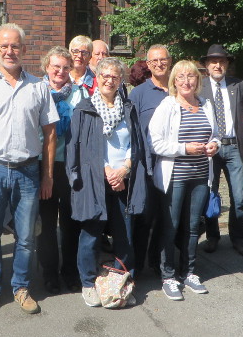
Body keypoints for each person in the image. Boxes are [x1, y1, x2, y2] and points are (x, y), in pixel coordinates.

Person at [0, 23, 58, 317]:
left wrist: (47, 175)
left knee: (26, 237)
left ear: (24, 49)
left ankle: (21, 287)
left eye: (15, 46)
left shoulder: (39, 87)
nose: (9, 51)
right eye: (4, 46)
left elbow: (50, 134)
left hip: (28, 172)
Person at [67, 57, 148, 307]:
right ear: (97, 78)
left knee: (124, 236)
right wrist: (107, 172)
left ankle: (121, 283)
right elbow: (80, 148)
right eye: (105, 76)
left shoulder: (129, 109)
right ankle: (88, 283)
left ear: (121, 80)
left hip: (123, 180)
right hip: (94, 181)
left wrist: (123, 171)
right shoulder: (84, 109)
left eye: (115, 76)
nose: (109, 80)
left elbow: (136, 144)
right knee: (90, 235)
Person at [149, 60, 219, 300]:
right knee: (171, 226)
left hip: (201, 176)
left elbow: (216, 136)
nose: (186, 81)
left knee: (192, 228)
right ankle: (168, 276)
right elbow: (155, 143)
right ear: (174, 81)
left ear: (197, 80)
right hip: (175, 177)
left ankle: (188, 272)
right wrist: (184, 148)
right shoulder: (167, 106)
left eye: (191, 76)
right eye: (181, 77)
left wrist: (214, 145)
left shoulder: (206, 105)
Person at [37, 46, 87, 294]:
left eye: (66, 67)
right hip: (42, 165)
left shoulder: (79, 93)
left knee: (70, 222)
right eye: (56, 66)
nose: (61, 71)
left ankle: (70, 271)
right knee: (46, 224)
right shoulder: (36, 91)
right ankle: (49, 274)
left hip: (70, 167)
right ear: (46, 67)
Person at [199, 44, 243, 256]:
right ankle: (212, 236)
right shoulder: (199, 87)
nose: (217, 65)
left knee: (239, 196)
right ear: (206, 65)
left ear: (227, 64)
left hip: (234, 147)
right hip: (210, 149)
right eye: (213, 61)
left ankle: (238, 238)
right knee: (210, 193)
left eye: (221, 61)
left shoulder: (238, 85)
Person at [128, 44, 172, 276]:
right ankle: (136, 266)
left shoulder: (178, 89)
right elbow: (131, 131)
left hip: (174, 164)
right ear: (148, 64)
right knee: (144, 217)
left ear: (170, 60)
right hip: (147, 165)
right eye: (154, 61)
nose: (159, 64)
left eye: (162, 59)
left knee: (167, 217)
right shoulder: (138, 94)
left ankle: (158, 262)